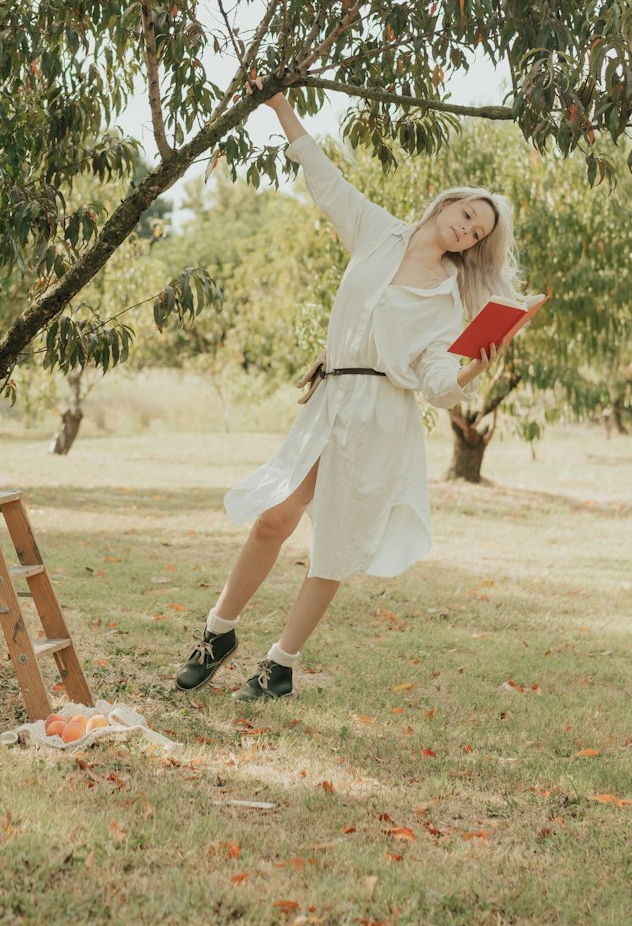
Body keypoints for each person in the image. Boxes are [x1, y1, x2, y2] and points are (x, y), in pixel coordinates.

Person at [175, 79, 525, 702]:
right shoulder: (377, 231)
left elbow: (437, 384)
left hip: (382, 417)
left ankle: (280, 664)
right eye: (467, 216)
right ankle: (218, 632)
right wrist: (280, 107)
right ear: (451, 201)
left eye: (475, 235)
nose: (465, 232)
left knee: (333, 544)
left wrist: (475, 367)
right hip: (332, 399)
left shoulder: (450, 303)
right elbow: (325, 178)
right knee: (273, 519)